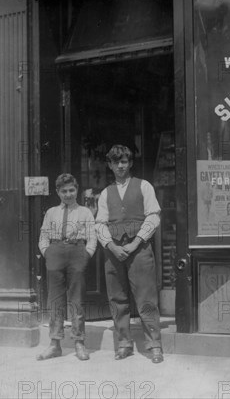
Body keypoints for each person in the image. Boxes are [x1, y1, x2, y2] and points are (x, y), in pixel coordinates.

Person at [95, 145, 164, 363]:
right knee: (117, 298)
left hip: (139, 249)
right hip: (114, 251)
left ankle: (154, 345)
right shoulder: (105, 193)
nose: (120, 166)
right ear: (110, 165)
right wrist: (112, 246)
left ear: (130, 163)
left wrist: (135, 244)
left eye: (124, 161)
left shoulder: (144, 186)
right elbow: (99, 224)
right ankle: (124, 344)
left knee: (146, 297)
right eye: (116, 162)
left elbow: (154, 217)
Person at [37, 173, 97, 361]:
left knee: (76, 299)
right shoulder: (51, 212)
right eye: (64, 191)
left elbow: (92, 237)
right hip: (55, 252)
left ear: (77, 190)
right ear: (58, 192)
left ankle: (79, 342)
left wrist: (86, 255)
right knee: (55, 299)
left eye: (71, 190)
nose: (68, 194)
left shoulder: (85, 212)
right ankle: (55, 344)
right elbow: (43, 237)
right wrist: (48, 253)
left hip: (77, 252)